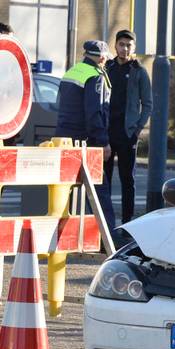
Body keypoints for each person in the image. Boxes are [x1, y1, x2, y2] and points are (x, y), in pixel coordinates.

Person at [56, 41, 113, 230]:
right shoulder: (95, 76)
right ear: (102, 57)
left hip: (63, 138)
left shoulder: (71, 72)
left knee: (66, 190)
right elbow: (94, 113)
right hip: (85, 141)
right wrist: (103, 142)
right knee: (99, 190)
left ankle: (65, 234)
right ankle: (106, 237)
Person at [106, 29, 152, 226]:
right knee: (104, 180)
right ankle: (105, 222)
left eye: (129, 45)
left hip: (127, 134)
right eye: (121, 44)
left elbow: (147, 104)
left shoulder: (139, 72)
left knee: (127, 180)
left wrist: (137, 128)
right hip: (106, 134)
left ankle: (127, 222)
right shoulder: (107, 68)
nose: (125, 49)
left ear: (134, 48)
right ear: (115, 46)